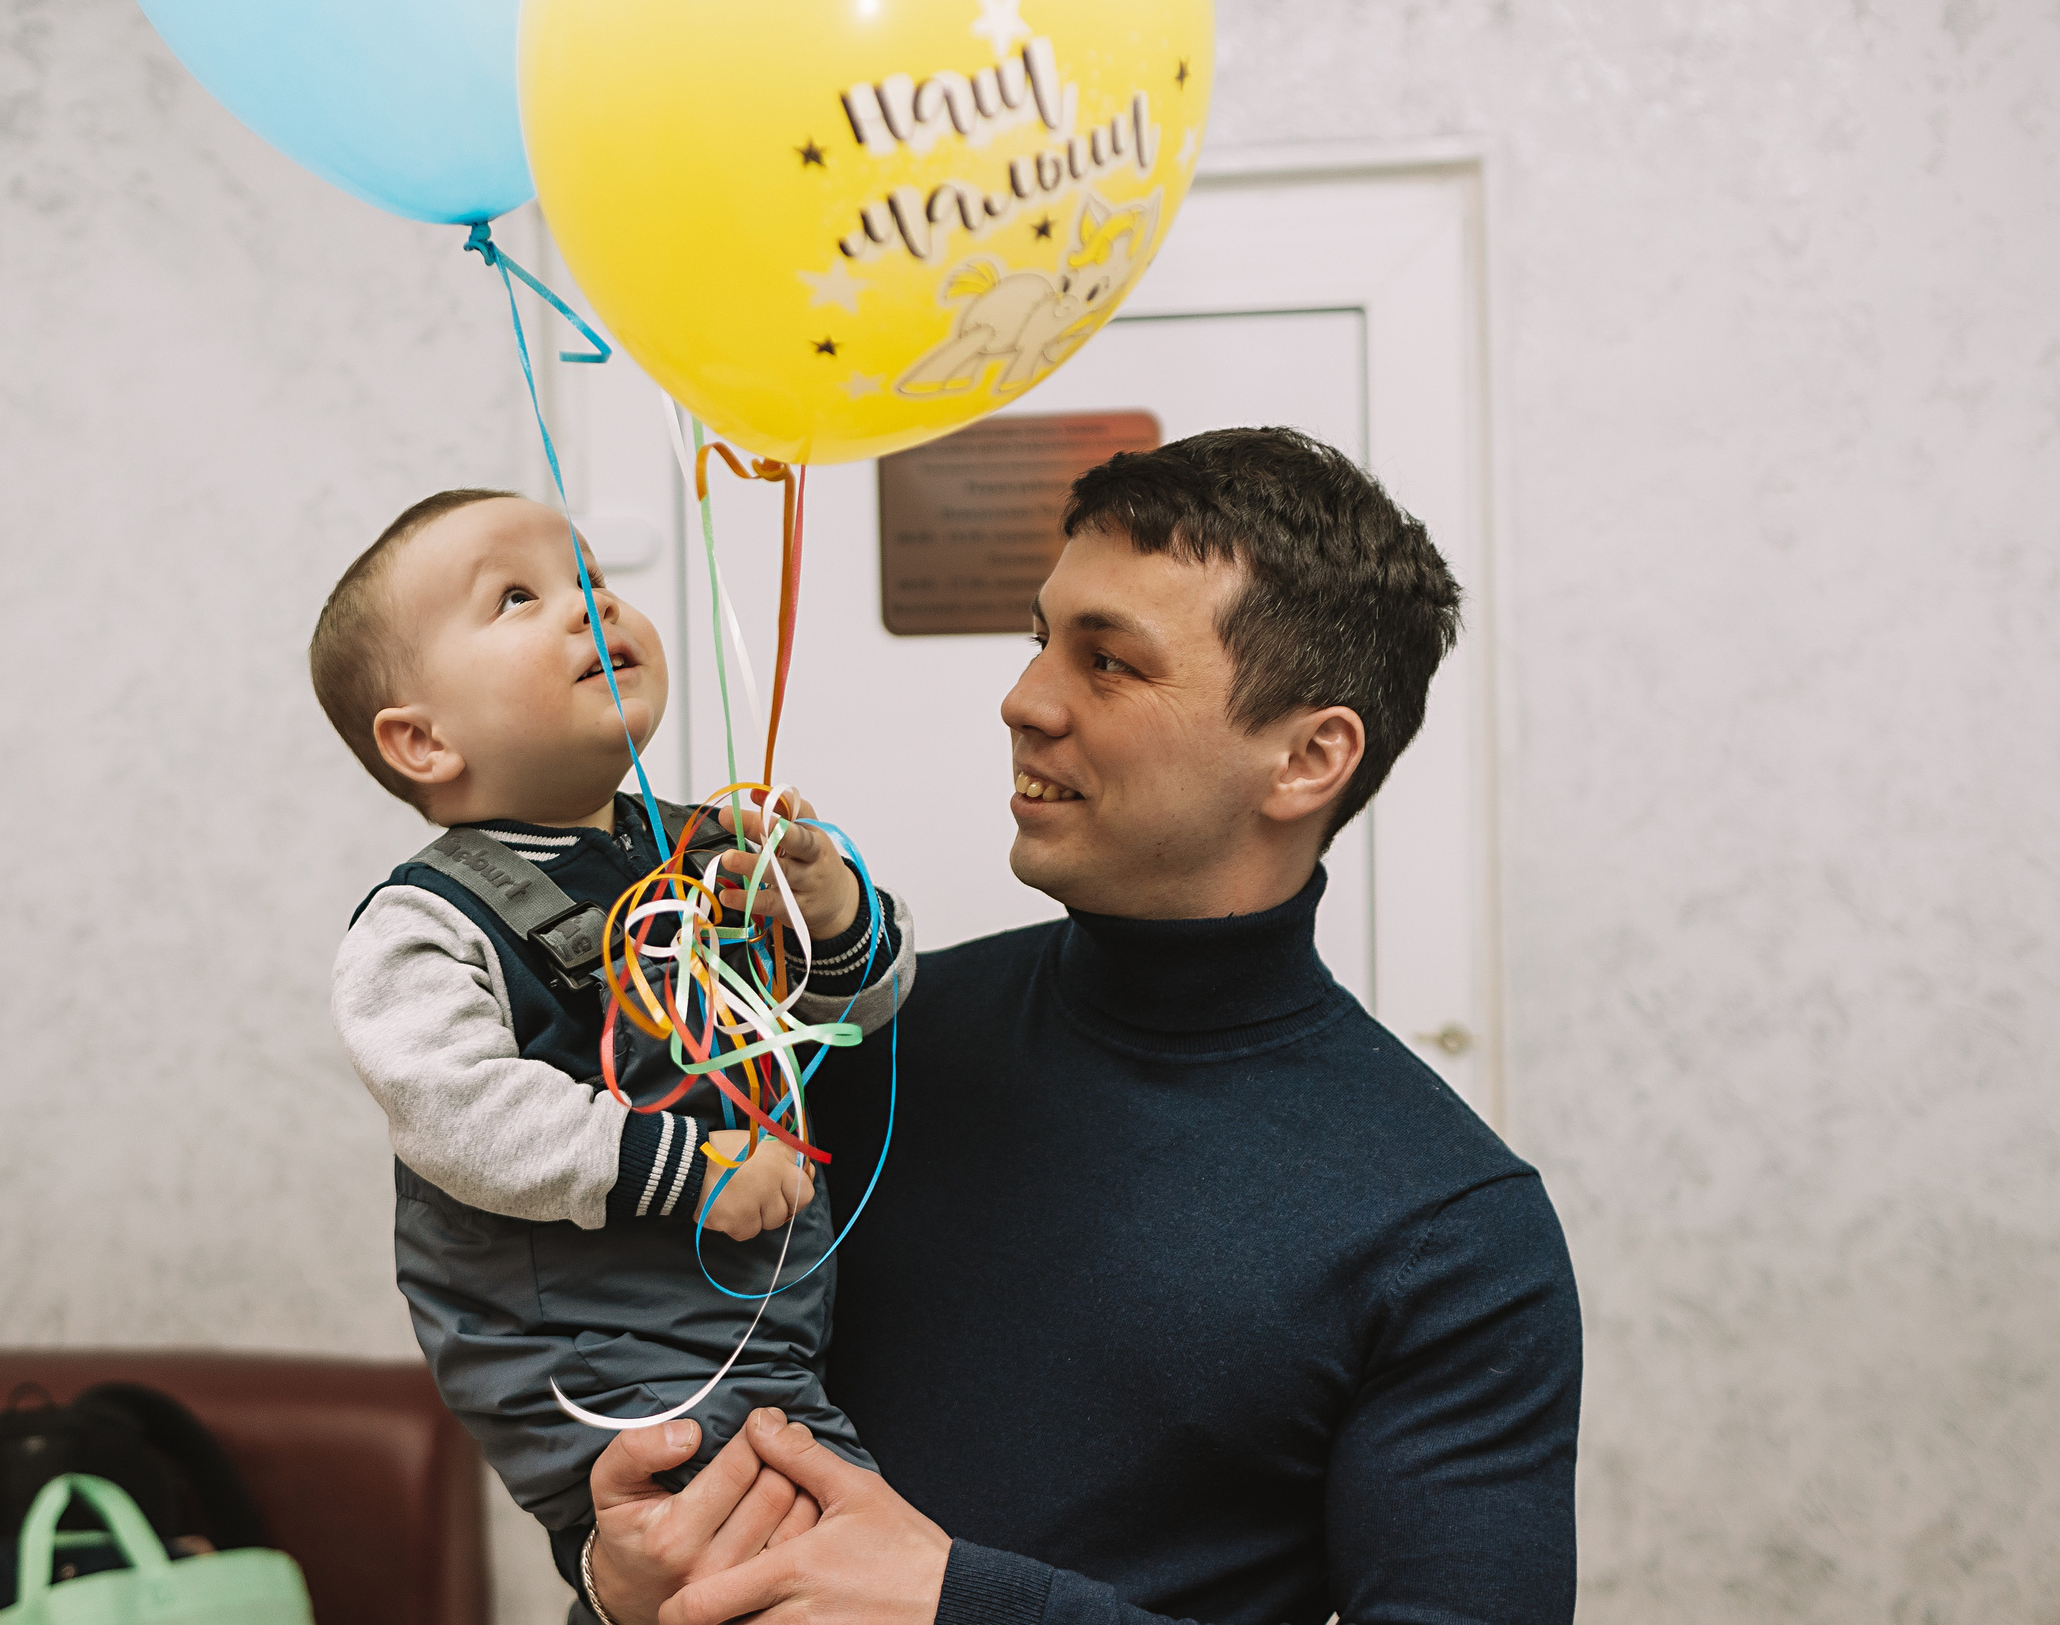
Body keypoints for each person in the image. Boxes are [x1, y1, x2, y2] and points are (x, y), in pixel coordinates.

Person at [578, 428, 1582, 1625]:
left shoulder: (1452, 1238)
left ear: (1307, 758)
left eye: (1109, 663)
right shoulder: (864, 1046)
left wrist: (966, 1607)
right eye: (1041, 637)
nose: (1023, 700)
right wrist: (613, 1586)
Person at [310, 488, 912, 1578]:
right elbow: (457, 1114)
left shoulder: (697, 850)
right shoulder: (426, 923)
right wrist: (686, 1166)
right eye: (517, 597)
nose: (589, 607)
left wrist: (829, 921)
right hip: (608, 1376)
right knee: (793, 1577)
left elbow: (855, 1020)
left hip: (764, 1345)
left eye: (592, 577)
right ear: (422, 740)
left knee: (846, 1566)